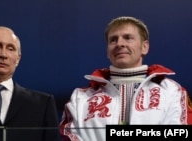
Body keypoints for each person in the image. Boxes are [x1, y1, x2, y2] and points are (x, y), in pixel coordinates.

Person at [59, 16, 191, 141]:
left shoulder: (172, 91)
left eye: (128, 38)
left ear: (144, 47)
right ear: (107, 50)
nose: (119, 44)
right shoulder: (81, 98)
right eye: (113, 40)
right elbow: (70, 135)